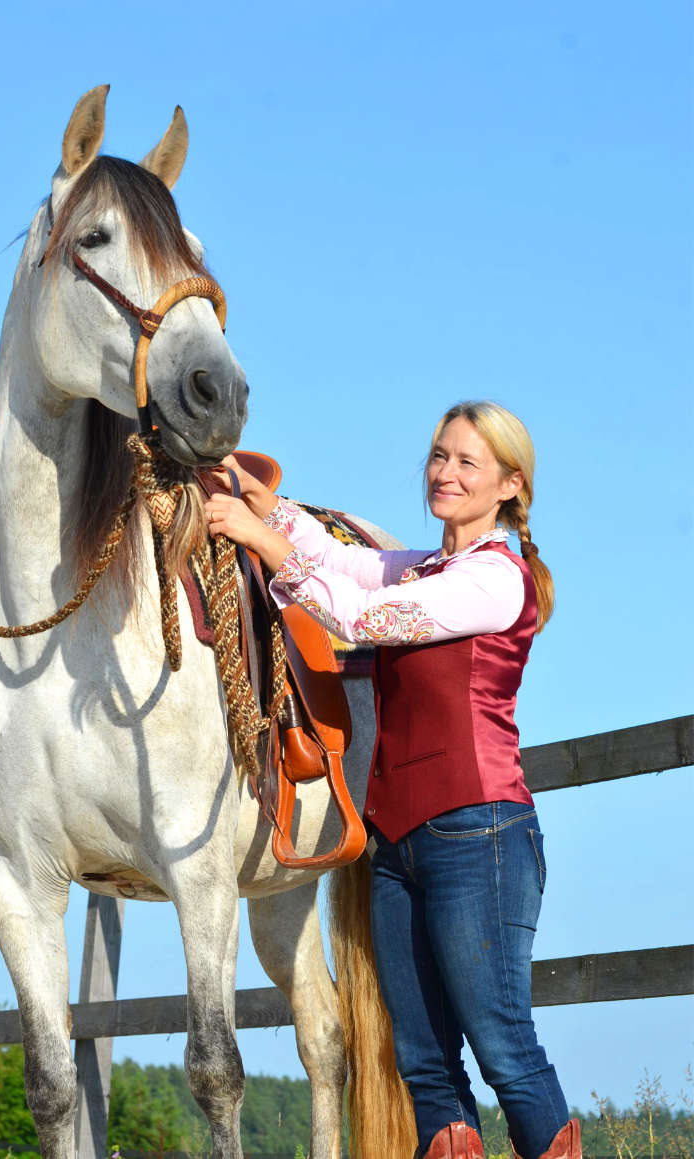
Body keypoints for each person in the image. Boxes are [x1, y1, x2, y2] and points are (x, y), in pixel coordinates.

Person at [203, 401, 580, 1159]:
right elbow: (343, 563)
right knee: (426, 1066)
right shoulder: (429, 565)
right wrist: (269, 504)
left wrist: (258, 540)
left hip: (480, 834)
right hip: (396, 844)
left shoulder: (494, 581)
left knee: (504, 1047)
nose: (444, 473)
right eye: (438, 456)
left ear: (509, 484)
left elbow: (366, 616)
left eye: (467, 462)